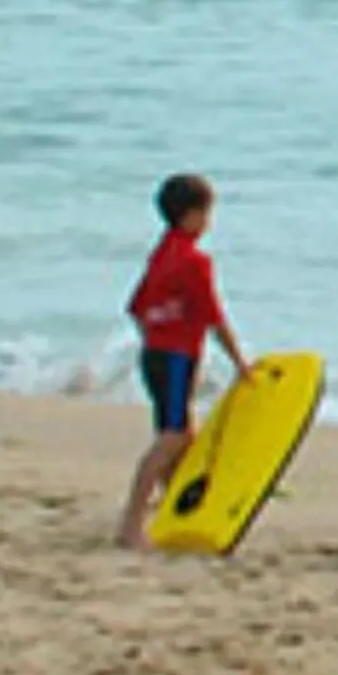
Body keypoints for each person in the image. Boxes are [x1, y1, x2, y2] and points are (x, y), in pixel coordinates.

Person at [119, 173, 251, 547]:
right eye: (207, 214)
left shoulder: (161, 253)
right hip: (177, 358)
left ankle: (172, 516)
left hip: (154, 356)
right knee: (172, 438)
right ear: (192, 216)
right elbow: (213, 316)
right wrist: (240, 362)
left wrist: (156, 337)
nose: (209, 222)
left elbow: (136, 308)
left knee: (182, 437)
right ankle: (130, 525)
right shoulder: (195, 261)